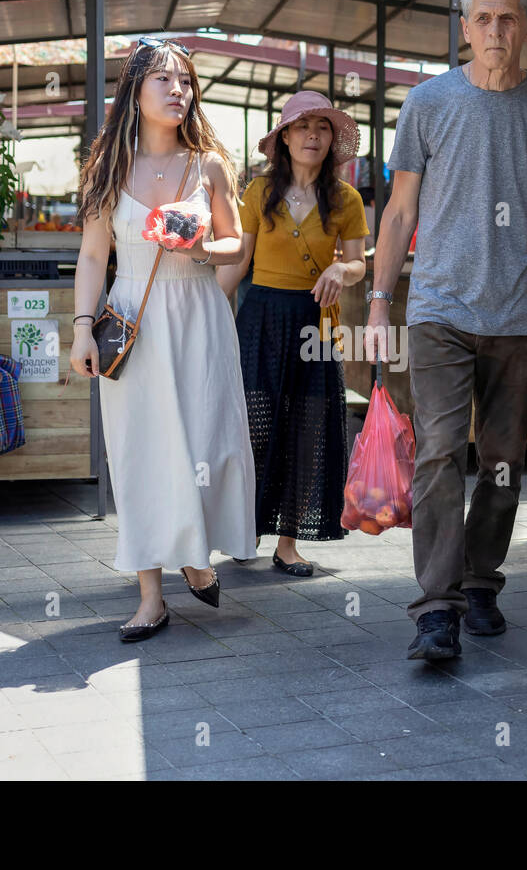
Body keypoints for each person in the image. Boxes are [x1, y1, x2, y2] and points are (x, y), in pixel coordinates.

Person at [365, 0, 527, 661]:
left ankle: (481, 582)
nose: (496, 31)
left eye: (509, 19)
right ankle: (436, 608)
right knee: (438, 453)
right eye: (483, 19)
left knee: (500, 462)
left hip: (519, 317)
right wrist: (379, 303)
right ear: (465, 29)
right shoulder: (429, 105)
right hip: (437, 309)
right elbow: (399, 211)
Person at [70, 37, 256, 644]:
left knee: (206, 441)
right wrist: (80, 329)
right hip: (133, 318)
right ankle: (151, 597)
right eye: (165, 80)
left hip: (200, 311)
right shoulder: (107, 168)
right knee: (141, 454)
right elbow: (94, 256)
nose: (179, 91)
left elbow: (238, 244)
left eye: (186, 81)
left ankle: (197, 554)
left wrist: (199, 246)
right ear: (135, 91)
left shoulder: (209, 164)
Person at [217, 92, 368, 577]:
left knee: (309, 428)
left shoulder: (346, 199)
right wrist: (210, 313)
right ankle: (247, 529)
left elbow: (359, 262)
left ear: (331, 139)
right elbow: (240, 260)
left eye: (322, 128)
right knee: (255, 427)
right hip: (260, 317)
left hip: (315, 323)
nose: (312, 136)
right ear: (283, 137)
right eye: (302, 127)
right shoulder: (260, 192)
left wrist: (341, 272)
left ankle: (288, 544)